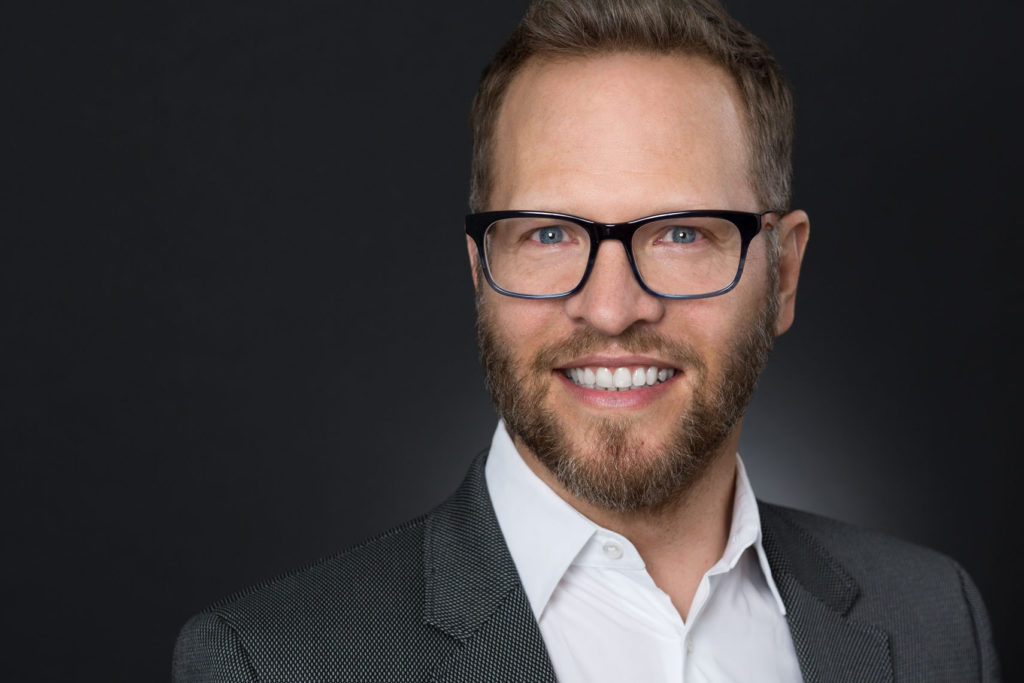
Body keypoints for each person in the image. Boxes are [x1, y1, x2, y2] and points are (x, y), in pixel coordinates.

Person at [173, 0, 1000, 680]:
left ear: (782, 273)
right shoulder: (272, 662)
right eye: (547, 235)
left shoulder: (934, 621)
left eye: (680, 234)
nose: (610, 308)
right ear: (480, 270)